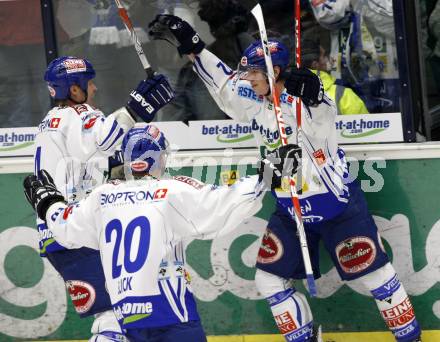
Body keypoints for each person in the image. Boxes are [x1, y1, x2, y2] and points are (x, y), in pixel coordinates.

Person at [147, 14, 422, 342]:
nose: (247, 81)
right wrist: (193, 46)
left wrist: (314, 92)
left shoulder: (307, 101)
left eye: (253, 75)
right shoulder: (253, 98)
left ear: (275, 72)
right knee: (268, 280)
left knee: (376, 277)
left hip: (336, 206)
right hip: (290, 209)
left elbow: (324, 113)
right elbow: (222, 82)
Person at [22, 124, 298, 342]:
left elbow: (67, 228)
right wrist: (269, 174)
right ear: (155, 158)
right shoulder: (170, 191)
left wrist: (48, 203)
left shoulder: (101, 197)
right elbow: (224, 202)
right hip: (169, 310)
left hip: (127, 315)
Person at [34, 55, 174, 341]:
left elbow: (100, 156)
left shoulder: (52, 122)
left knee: (112, 315)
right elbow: (104, 139)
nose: (94, 88)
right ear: (74, 89)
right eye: (89, 82)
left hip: (57, 233)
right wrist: (135, 108)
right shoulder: (76, 114)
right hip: (75, 230)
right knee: (117, 315)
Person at [301, 39, 369, 115]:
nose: (329, 59)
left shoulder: (288, 95)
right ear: (315, 64)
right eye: (324, 56)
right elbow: (367, 124)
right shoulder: (343, 95)